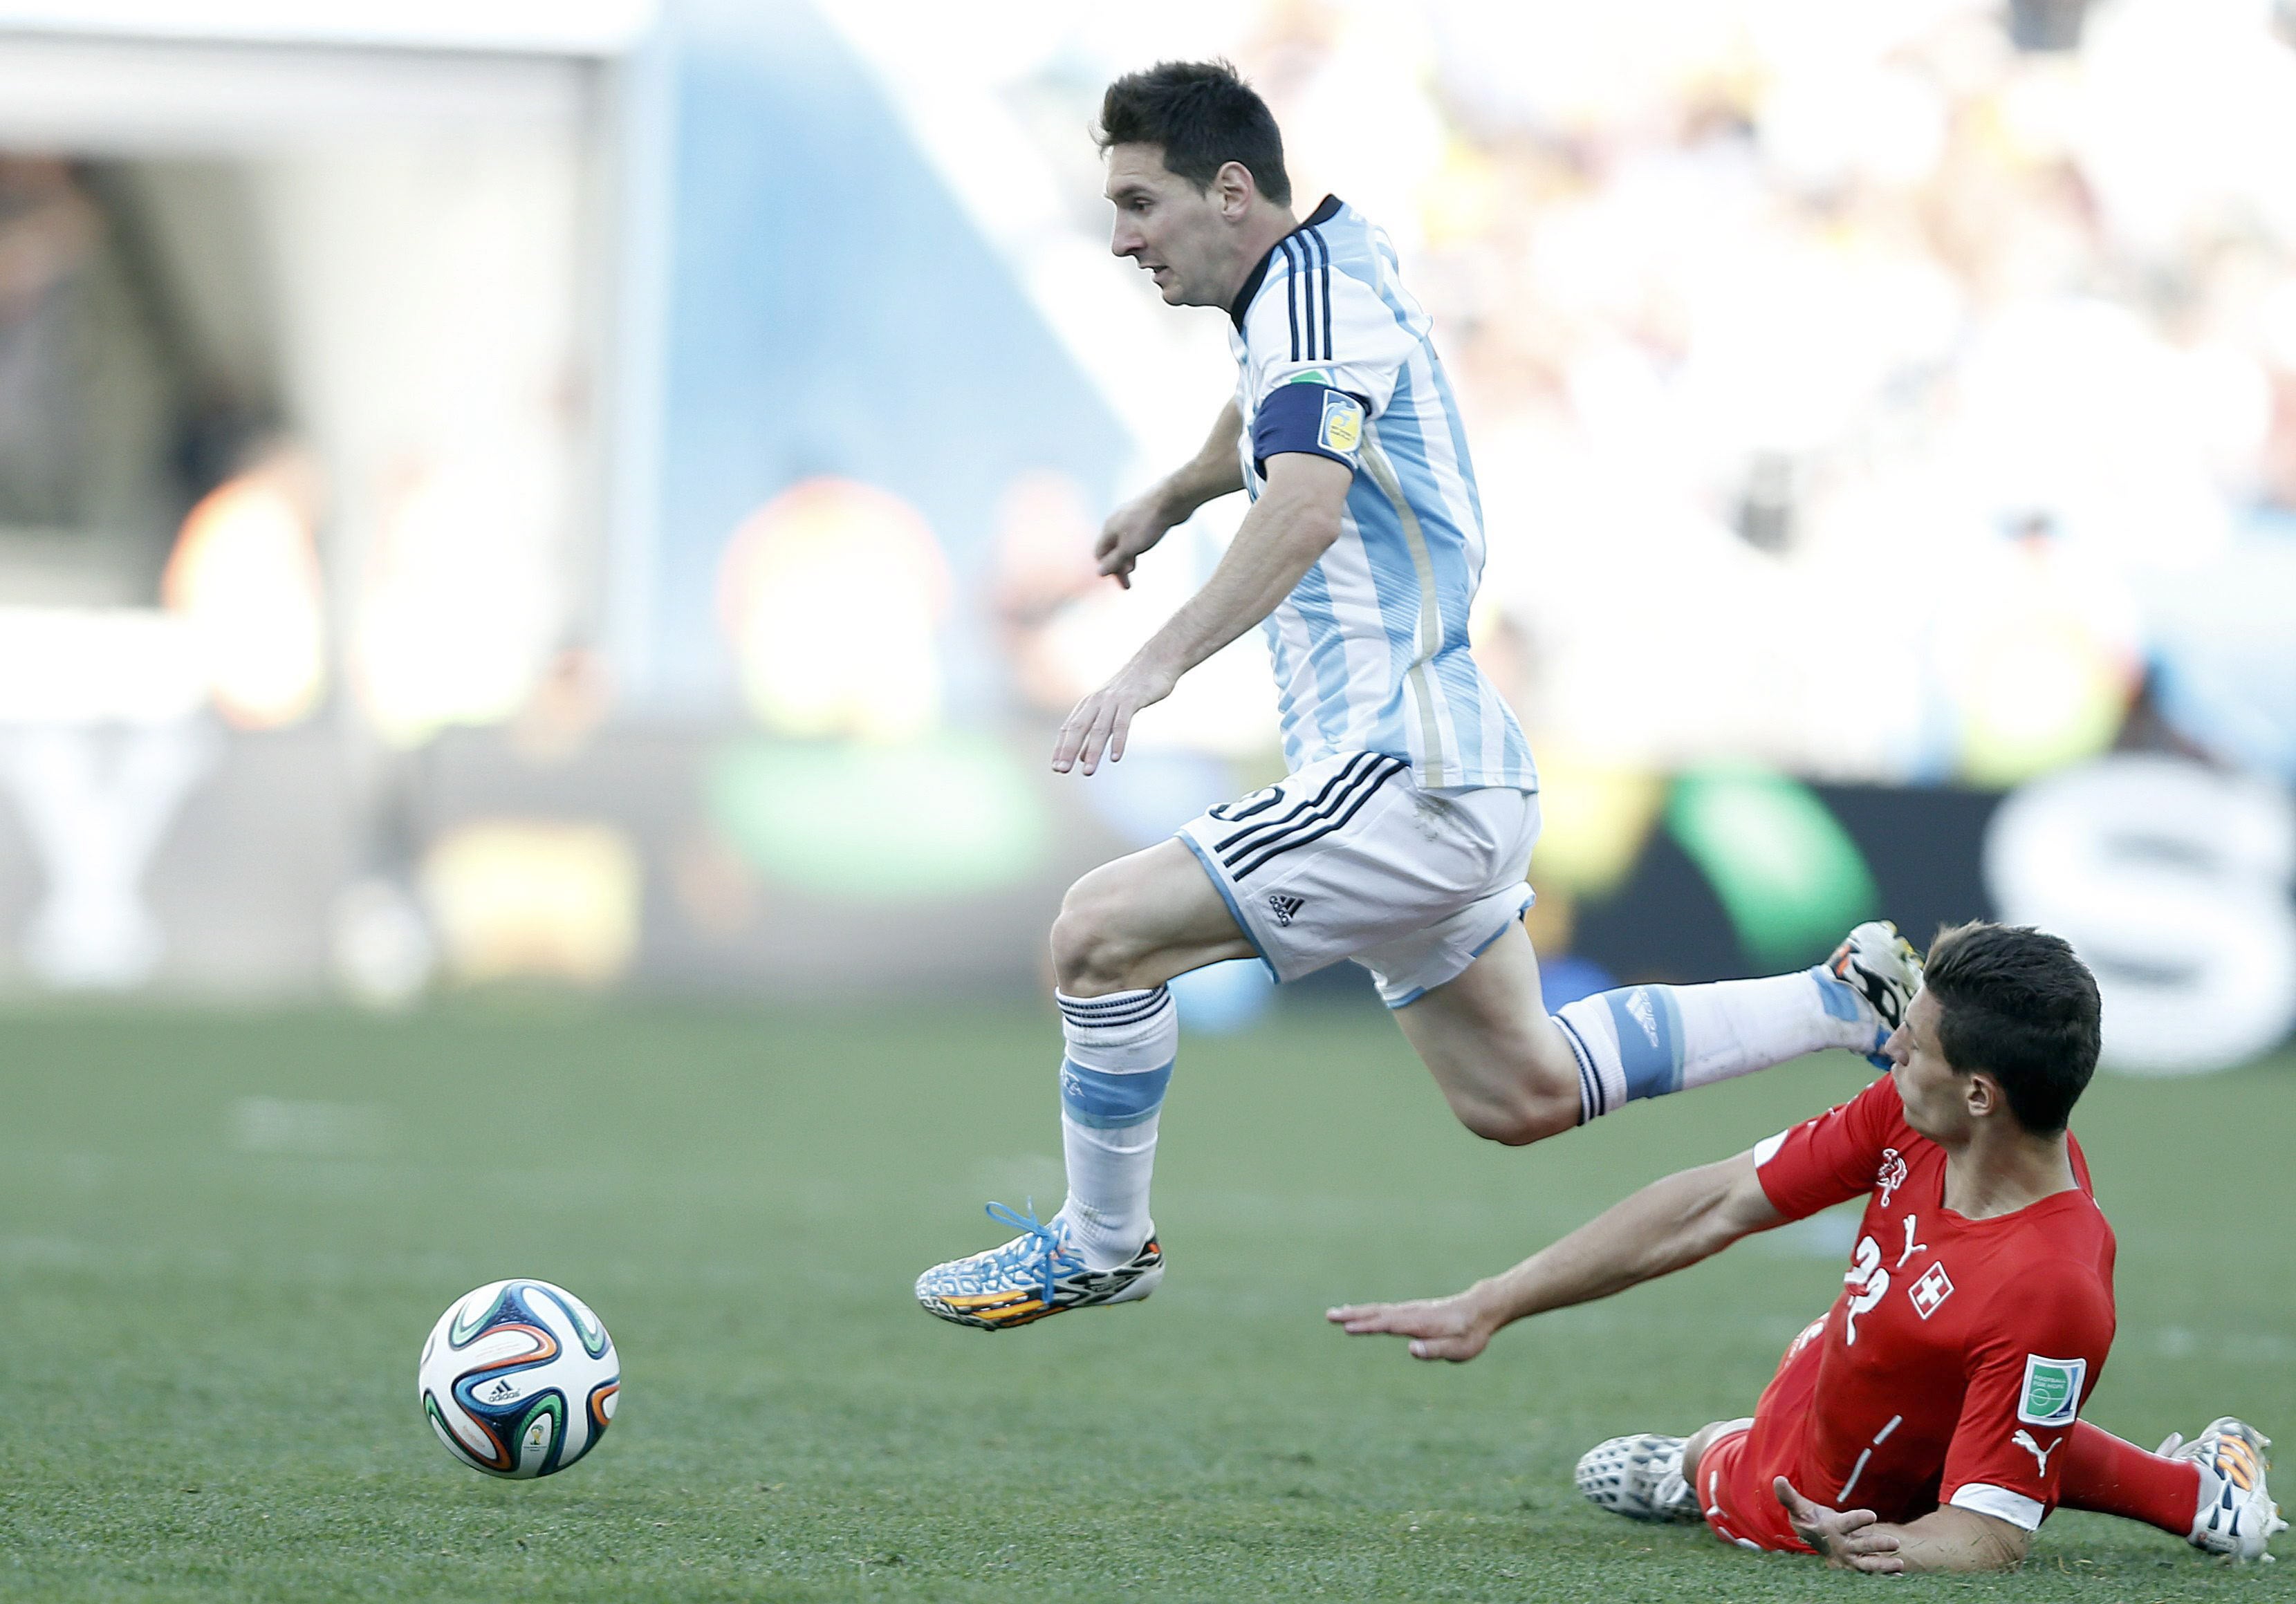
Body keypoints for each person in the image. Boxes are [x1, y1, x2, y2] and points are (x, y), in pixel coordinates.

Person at [914, 60, 1923, 1331]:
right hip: (1449, 770)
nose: (1121, 240)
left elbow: (1306, 501)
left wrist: (1153, 662)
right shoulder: (1320, 272)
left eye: (1138, 204)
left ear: (1230, 191)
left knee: (1097, 934)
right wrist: (1176, 490)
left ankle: (1102, 1240)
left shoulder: (1316, 306)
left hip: (1401, 770)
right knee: (1523, 1094)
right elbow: (1271, 409)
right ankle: (1839, 1000)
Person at [1331, 922, 2285, 1570]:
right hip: (1858, 1368)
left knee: (1740, 1469)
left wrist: (1882, 1547)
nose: (1889, 1053)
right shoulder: (1918, 1117)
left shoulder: (2054, 1288)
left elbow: (1989, 1534)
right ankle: (2204, 1497)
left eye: (1909, 1045)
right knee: (1887, 1357)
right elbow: (1713, 1203)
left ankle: (1695, 1466)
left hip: (1830, 1490)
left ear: (1983, 1093)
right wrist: (1498, 1298)